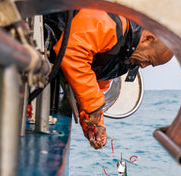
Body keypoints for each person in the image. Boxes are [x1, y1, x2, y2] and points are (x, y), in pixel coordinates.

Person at [53, 9, 173, 149]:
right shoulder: (110, 21)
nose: (143, 66)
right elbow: (71, 51)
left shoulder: (124, 56)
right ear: (148, 39)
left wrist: (95, 125)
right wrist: (94, 105)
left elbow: (93, 84)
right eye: (148, 60)